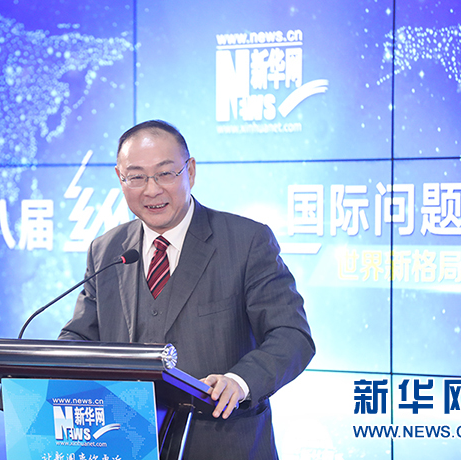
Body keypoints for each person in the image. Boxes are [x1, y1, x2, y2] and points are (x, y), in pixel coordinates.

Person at [59, 120, 315, 459]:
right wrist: (45, 370)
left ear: (190, 171)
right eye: (136, 177)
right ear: (120, 178)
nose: (151, 190)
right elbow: (80, 337)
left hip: (224, 444)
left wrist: (240, 381)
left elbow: (291, 335)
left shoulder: (246, 241)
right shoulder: (107, 250)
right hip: (126, 443)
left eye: (165, 173)